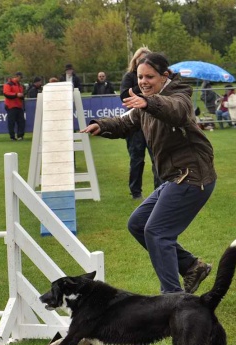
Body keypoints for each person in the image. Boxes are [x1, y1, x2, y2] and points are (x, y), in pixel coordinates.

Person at [81, 52, 216, 295]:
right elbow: (125, 123)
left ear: (165, 76)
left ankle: (172, 298)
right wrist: (101, 126)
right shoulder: (145, 101)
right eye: (140, 76)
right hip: (174, 177)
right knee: (138, 223)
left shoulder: (179, 95)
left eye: (149, 77)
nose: (143, 81)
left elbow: (176, 110)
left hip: (193, 177)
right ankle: (192, 267)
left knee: (157, 232)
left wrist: (148, 103)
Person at [120, 47, 159, 199]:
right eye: (140, 60)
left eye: (146, 59)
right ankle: (136, 192)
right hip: (135, 123)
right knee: (136, 159)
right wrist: (143, 84)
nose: (143, 62)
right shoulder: (129, 76)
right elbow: (124, 96)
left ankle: (159, 190)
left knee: (157, 158)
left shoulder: (156, 77)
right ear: (135, 61)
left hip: (152, 121)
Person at [3, 71, 25, 141]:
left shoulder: (20, 85)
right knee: (11, 122)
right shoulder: (8, 84)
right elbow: (6, 94)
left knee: (21, 121)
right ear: (17, 76)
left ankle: (20, 136)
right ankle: (12, 136)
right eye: (20, 77)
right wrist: (16, 95)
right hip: (11, 106)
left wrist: (21, 96)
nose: (21, 79)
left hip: (19, 105)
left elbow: (20, 95)